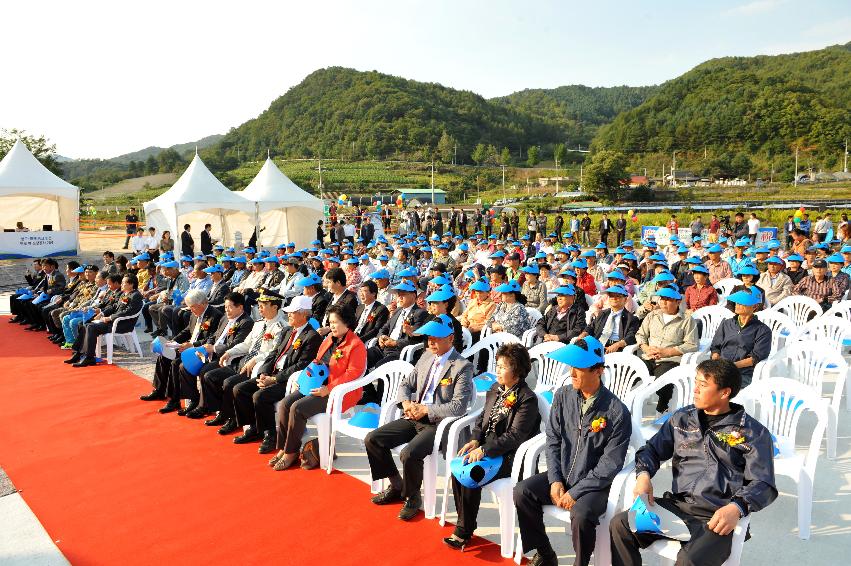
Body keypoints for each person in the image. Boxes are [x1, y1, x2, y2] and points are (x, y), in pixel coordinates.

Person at [610, 359, 778, 566]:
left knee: (689, 560)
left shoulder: (752, 433)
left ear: (725, 392)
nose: (695, 390)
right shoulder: (682, 419)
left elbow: (763, 483)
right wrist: (643, 475)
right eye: (695, 382)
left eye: (703, 385)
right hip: (678, 506)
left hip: (716, 517)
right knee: (621, 525)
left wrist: (737, 507)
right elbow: (651, 450)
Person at [514, 337, 632, 566]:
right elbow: (553, 439)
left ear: (598, 371)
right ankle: (546, 554)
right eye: (571, 367)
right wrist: (555, 479)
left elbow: (610, 464)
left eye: (579, 368)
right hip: (564, 474)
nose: (572, 373)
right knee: (522, 492)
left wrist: (577, 491)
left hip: (594, 486)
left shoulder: (617, 411)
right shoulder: (563, 395)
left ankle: (581, 562)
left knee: (582, 514)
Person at [365, 314, 474, 520]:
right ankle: (397, 485)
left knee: (409, 453)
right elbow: (406, 384)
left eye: (437, 337)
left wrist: (425, 409)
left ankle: (412, 497)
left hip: (439, 423)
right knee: (373, 439)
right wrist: (406, 403)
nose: (431, 341)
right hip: (414, 416)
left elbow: (458, 406)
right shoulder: (426, 356)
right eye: (429, 337)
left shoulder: (462, 366)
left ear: (451, 339)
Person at [444, 343, 541, 550]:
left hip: (511, 456)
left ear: (517, 370)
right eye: (497, 365)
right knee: (458, 469)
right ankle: (466, 523)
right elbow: (482, 418)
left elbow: (515, 436)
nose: (497, 370)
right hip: (488, 449)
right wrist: (475, 440)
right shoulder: (496, 388)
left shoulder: (527, 399)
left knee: (471, 473)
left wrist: (484, 450)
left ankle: (463, 531)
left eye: (504, 366)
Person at [269, 304, 367, 469]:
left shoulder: (356, 345)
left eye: (335, 322)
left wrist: (329, 389)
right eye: (330, 322)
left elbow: (353, 374)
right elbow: (317, 361)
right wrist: (303, 379)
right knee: (286, 404)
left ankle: (291, 452)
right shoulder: (329, 338)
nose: (332, 326)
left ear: (347, 322)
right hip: (317, 385)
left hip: (339, 393)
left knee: (298, 408)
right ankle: (284, 448)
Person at [232, 295, 323, 453]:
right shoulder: (288, 330)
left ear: (303, 314)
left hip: (288, 380)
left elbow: (301, 365)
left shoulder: (312, 336)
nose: (288, 315)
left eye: (292, 312)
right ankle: (254, 428)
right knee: (239, 389)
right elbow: (274, 353)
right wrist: (264, 373)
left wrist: (274, 379)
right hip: (273, 373)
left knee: (260, 396)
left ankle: (270, 435)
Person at [200, 289, 287, 435]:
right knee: (211, 376)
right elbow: (247, 344)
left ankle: (236, 420)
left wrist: (254, 360)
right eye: (259, 305)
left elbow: (273, 353)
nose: (259, 309)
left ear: (275, 307)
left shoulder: (281, 327)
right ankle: (224, 412)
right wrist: (229, 352)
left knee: (230, 384)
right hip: (244, 363)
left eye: (263, 305)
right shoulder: (259, 324)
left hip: (259, 367)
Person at [152, 289, 223, 413]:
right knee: (164, 356)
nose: (191, 310)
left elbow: (212, 338)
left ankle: (180, 400)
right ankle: (159, 390)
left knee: (176, 363)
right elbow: (186, 331)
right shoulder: (195, 313)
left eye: (192, 307)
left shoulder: (215, 316)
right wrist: (173, 341)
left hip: (201, 351)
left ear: (201, 304)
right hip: (189, 347)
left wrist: (193, 344)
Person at [635, 287, 698, 414]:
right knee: (631, 373)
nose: (663, 302)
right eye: (662, 299)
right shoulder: (653, 315)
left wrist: (666, 352)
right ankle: (628, 405)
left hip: (670, 360)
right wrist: (646, 348)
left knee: (663, 381)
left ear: (678, 302)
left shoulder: (687, 320)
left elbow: (692, 344)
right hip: (649, 356)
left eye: (668, 299)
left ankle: (662, 409)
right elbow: (640, 335)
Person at [65, 274, 143, 367]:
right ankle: (79, 353)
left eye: (123, 283)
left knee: (91, 327)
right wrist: (102, 314)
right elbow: (114, 307)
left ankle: (89, 358)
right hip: (114, 321)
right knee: (85, 325)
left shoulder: (136, 295)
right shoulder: (125, 294)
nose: (121, 284)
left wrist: (109, 318)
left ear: (131, 284)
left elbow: (128, 312)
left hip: (122, 324)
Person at [709, 289, 771, 387]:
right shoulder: (726, 323)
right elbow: (715, 347)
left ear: (754, 306)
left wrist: (730, 366)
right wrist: (716, 358)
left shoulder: (763, 330)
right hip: (720, 368)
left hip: (743, 373)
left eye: (742, 303)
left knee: (719, 386)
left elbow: (754, 358)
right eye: (737, 302)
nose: (737, 305)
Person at [365, 280, 428, 369]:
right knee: (362, 358)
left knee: (381, 367)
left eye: (403, 294)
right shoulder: (398, 311)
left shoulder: (420, 313)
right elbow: (384, 327)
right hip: (384, 347)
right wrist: (381, 337)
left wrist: (395, 343)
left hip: (399, 351)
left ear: (413, 296)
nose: (399, 297)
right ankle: (365, 383)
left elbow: (416, 339)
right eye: (398, 294)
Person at [577, 285, 640, 354]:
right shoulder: (603, 313)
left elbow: (631, 336)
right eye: (611, 296)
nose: (614, 298)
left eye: (618, 296)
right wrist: (584, 334)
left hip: (617, 347)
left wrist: (618, 344)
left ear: (625, 299)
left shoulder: (632, 319)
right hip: (598, 344)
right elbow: (591, 327)